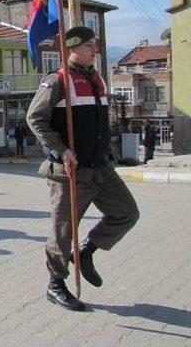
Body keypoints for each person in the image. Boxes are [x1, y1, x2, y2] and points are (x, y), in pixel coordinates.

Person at [26, 26, 140, 312]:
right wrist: (61, 148)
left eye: (95, 44)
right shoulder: (57, 81)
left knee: (126, 212)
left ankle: (87, 251)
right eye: (89, 45)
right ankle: (55, 284)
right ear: (72, 48)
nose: (95, 49)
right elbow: (35, 118)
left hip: (101, 167)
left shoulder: (97, 78)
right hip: (71, 171)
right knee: (63, 232)